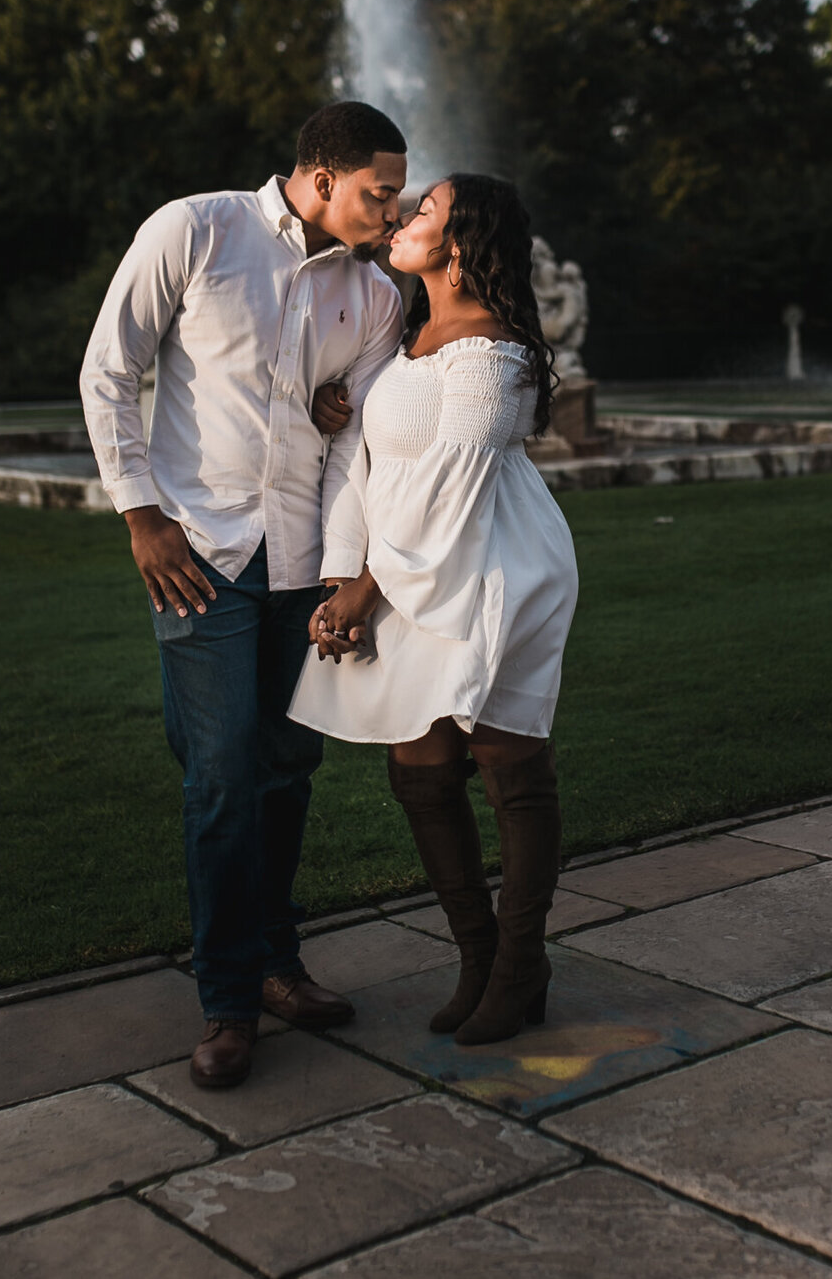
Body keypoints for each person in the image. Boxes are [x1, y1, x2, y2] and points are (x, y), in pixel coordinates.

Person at [80, 102, 407, 1089]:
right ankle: (227, 1001)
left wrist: (352, 568)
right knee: (221, 772)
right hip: (200, 554)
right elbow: (112, 369)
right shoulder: (196, 229)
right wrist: (140, 512)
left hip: (304, 562)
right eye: (377, 193)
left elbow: (359, 436)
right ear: (320, 177)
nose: (391, 213)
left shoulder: (376, 296)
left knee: (287, 767)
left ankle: (276, 962)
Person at [289, 174, 578, 1045]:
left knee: (508, 770)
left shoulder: (493, 352)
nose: (404, 219)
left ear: (458, 244)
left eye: (423, 212)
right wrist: (344, 572)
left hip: (491, 571)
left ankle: (523, 963)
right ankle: (480, 957)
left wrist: (365, 588)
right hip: (402, 570)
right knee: (419, 772)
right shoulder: (411, 340)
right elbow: (378, 466)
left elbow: (454, 487)